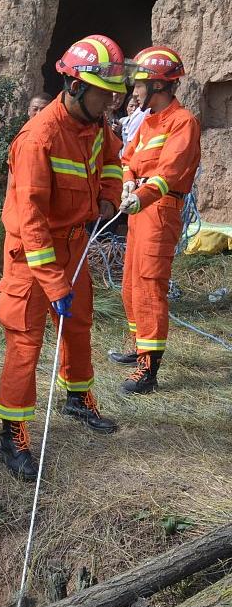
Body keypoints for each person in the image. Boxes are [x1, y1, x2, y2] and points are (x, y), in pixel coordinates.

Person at [0, 34, 125, 481]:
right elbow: (29, 220)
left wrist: (108, 197)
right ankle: (13, 436)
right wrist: (53, 283)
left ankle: (78, 398)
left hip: (73, 245)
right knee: (26, 344)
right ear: (74, 86)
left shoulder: (96, 125)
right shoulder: (38, 139)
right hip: (32, 258)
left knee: (79, 326)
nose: (109, 102)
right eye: (102, 92)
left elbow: (111, 159)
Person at [111, 46, 201, 394]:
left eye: (140, 83)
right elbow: (128, 158)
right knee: (131, 283)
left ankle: (149, 370)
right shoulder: (148, 122)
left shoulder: (183, 122)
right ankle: (139, 347)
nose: (134, 90)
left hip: (160, 211)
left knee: (150, 286)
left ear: (159, 85)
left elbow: (170, 172)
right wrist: (129, 178)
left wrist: (141, 195)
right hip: (140, 209)